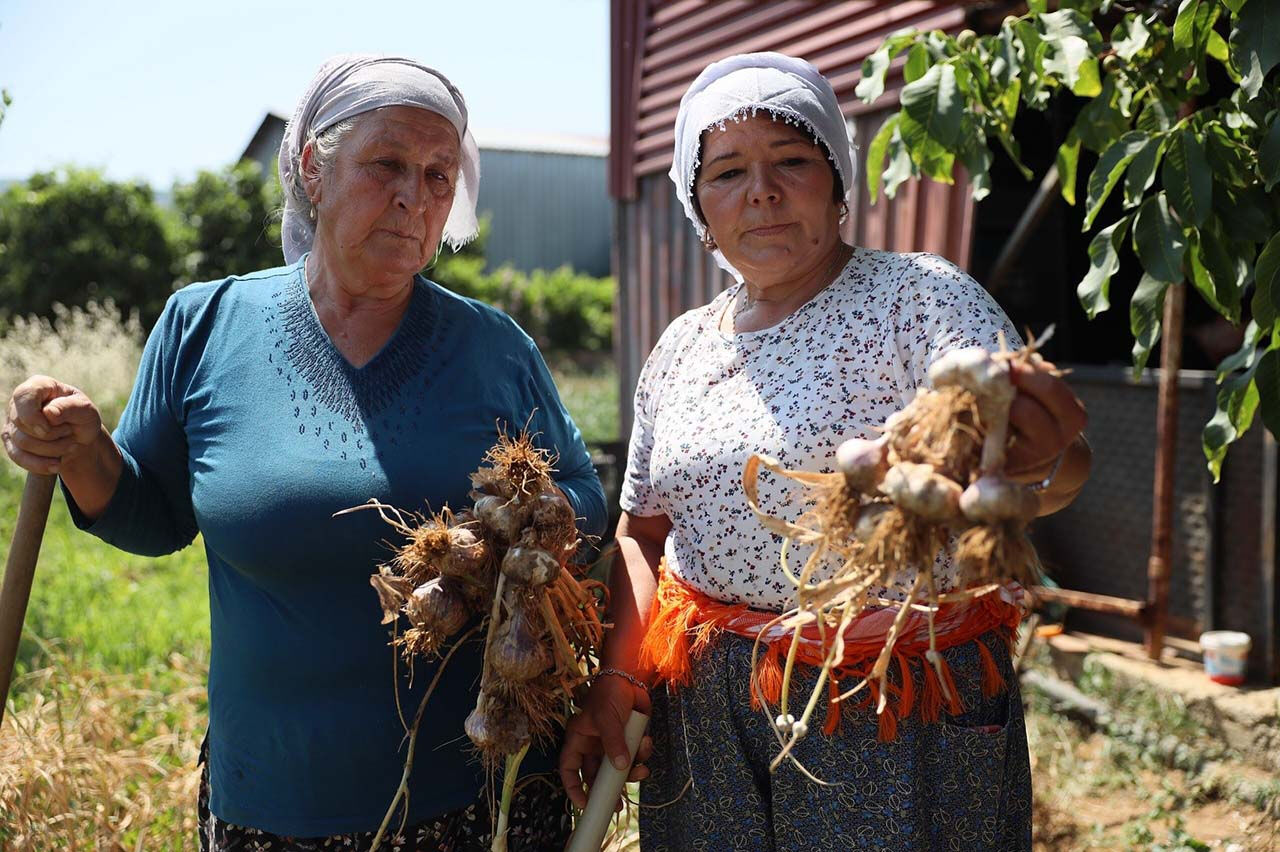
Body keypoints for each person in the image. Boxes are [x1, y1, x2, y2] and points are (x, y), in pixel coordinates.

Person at [2, 54, 605, 850]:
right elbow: (152, 516)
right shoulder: (204, 327)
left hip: (475, 795)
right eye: (387, 164)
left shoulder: (493, 348)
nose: (414, 196)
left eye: (438, 175)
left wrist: (517, 531)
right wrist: (82, 451)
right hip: (272, 797)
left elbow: (586, 503)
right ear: (314, 170)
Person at [559, 52, 1090, 851]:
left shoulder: (919, 297)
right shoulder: (681, 348)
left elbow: (1037, 458)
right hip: (706, 708)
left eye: (792, 161)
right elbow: (643, 536)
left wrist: (1036, 459)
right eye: (727, 172)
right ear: (698, 206)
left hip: (889, 696)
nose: (762, 192)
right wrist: (617, 675)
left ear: (839, 182)